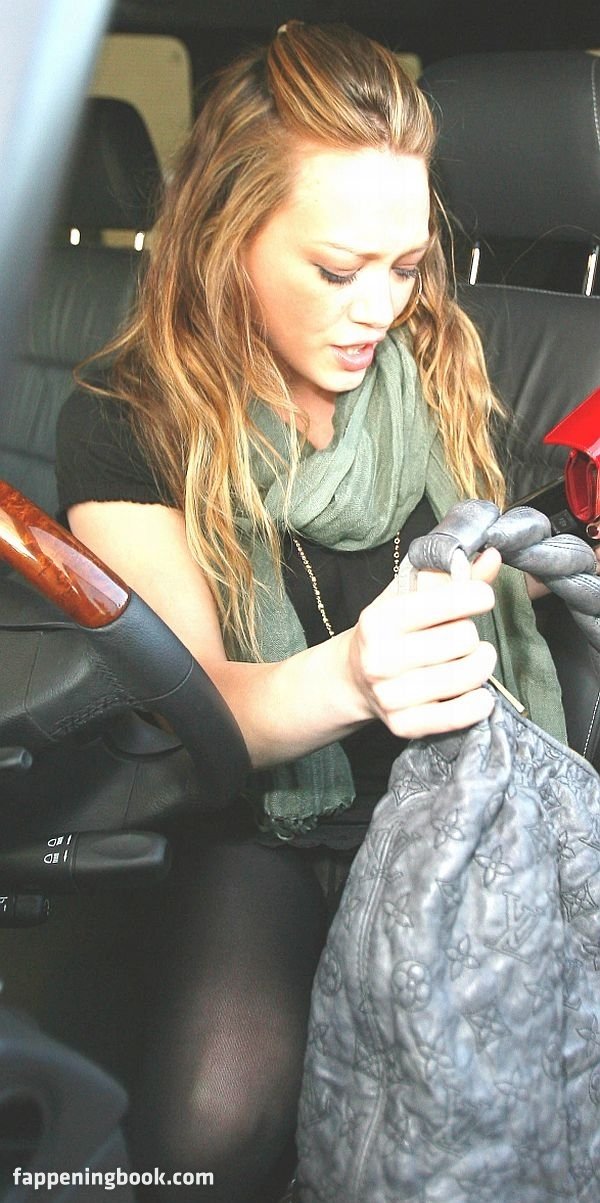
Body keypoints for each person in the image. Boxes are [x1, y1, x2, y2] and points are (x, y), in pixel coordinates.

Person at [55, 21, 566, 1202]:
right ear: (226, 238)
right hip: (265, 824)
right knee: (211, 1128)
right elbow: (206, 706)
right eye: (338, 271)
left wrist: (547, 551)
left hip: (459, 797)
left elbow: (508, 556)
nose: (377, 308)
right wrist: (353, 675)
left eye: (405, 265)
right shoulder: (128, 420)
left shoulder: (437, 359)